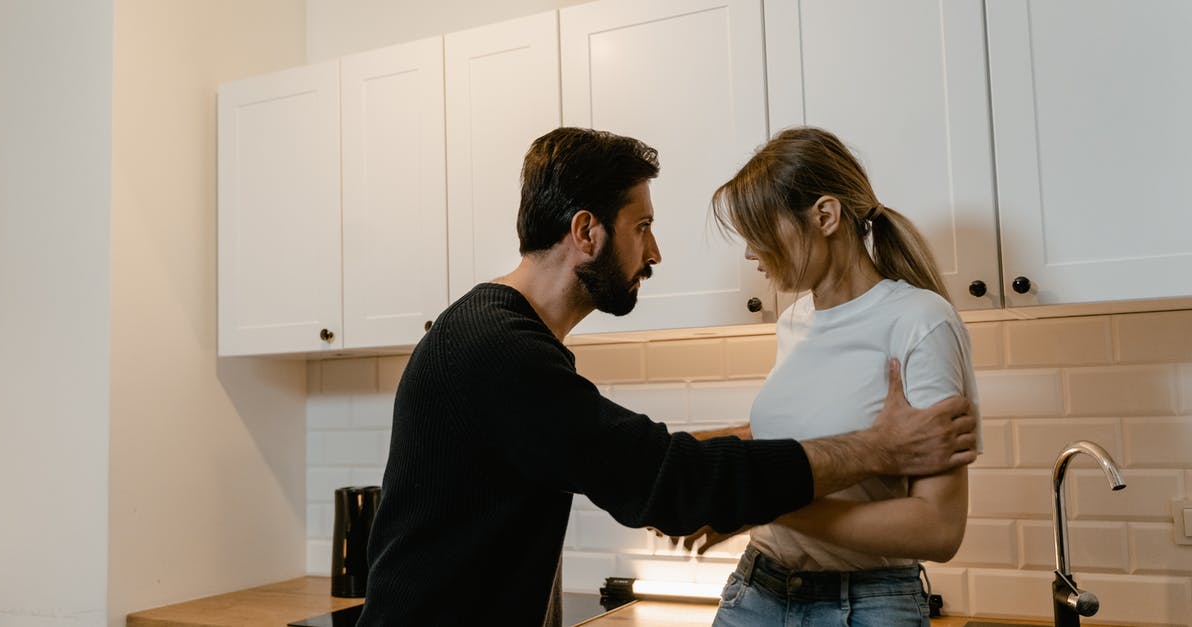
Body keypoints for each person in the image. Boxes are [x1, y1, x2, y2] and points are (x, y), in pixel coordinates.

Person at [355, 127, 977, 627]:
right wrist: (876, 450)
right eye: (642, 227)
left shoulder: (492, 334)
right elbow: (662, 478)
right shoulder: (499, 353)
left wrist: (737, 482)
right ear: (586, 232)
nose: (655, 254)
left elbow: (658, 463)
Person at [670, 126, 981, 627]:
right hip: (756, 591)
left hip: (865, 606)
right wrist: (706, 469)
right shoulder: (794, 321)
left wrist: (759, 502)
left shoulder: (921, 322)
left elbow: (938, 528)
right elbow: (803, 443)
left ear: (825, 215)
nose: (751, 253)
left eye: (759, 232)